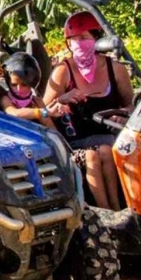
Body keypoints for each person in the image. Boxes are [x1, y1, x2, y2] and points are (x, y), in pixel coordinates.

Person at [44, 11, 133, 209]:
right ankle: (107, 211)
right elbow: (43, 110)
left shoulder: (115, 68)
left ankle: (120, 207)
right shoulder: (63, 71)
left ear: (97, 40)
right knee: (107, 149)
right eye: (73, 40)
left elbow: (130, 105)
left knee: (113, 149)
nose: (78, 44)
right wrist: (62, 98)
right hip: (76, 140)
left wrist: (123, 115)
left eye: (83, 38)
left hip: (109, 134)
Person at [0, 52, 68, 127]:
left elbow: (49, 126)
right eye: (14, 85)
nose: (18, 89)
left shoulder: (37, 102)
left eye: (24, 85)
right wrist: (44, 112)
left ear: (32, 84)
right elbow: (14, 113)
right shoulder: (6, 100)